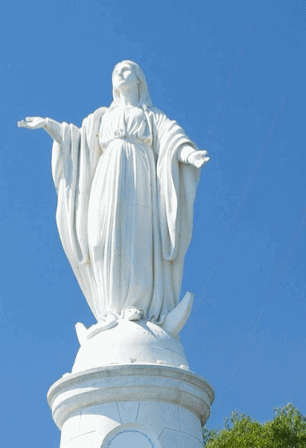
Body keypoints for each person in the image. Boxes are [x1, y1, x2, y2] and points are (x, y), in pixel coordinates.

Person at [18, 61, 208, 337]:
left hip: (140, 176)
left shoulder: (151, 115)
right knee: (100, 238)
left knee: (137, 238)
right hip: (107, 176)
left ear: (139, 80)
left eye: (126, 69)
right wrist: (49, 125)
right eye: (115, 71)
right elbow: (78, 142)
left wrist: (190, 155)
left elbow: (172, 139)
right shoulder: (101, 117)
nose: (119, 73)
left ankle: (137, 305)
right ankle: (109, 308)